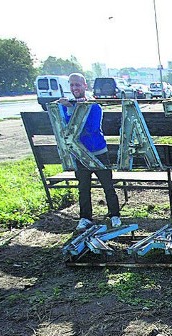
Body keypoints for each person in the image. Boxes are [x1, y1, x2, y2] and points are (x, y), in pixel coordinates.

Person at [57, 73, 121, 231]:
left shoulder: (94, 105)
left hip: (98, 152)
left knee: (108, 185)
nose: (74, 88)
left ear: (85, 86)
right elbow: (65, 127)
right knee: (83, 187)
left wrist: (73, 109)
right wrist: (69, 108)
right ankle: (85, 218)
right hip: (79, 153)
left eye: (77, 85)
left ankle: (114, 215)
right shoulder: (65, 106)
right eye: (71, 85)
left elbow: (90, 128)